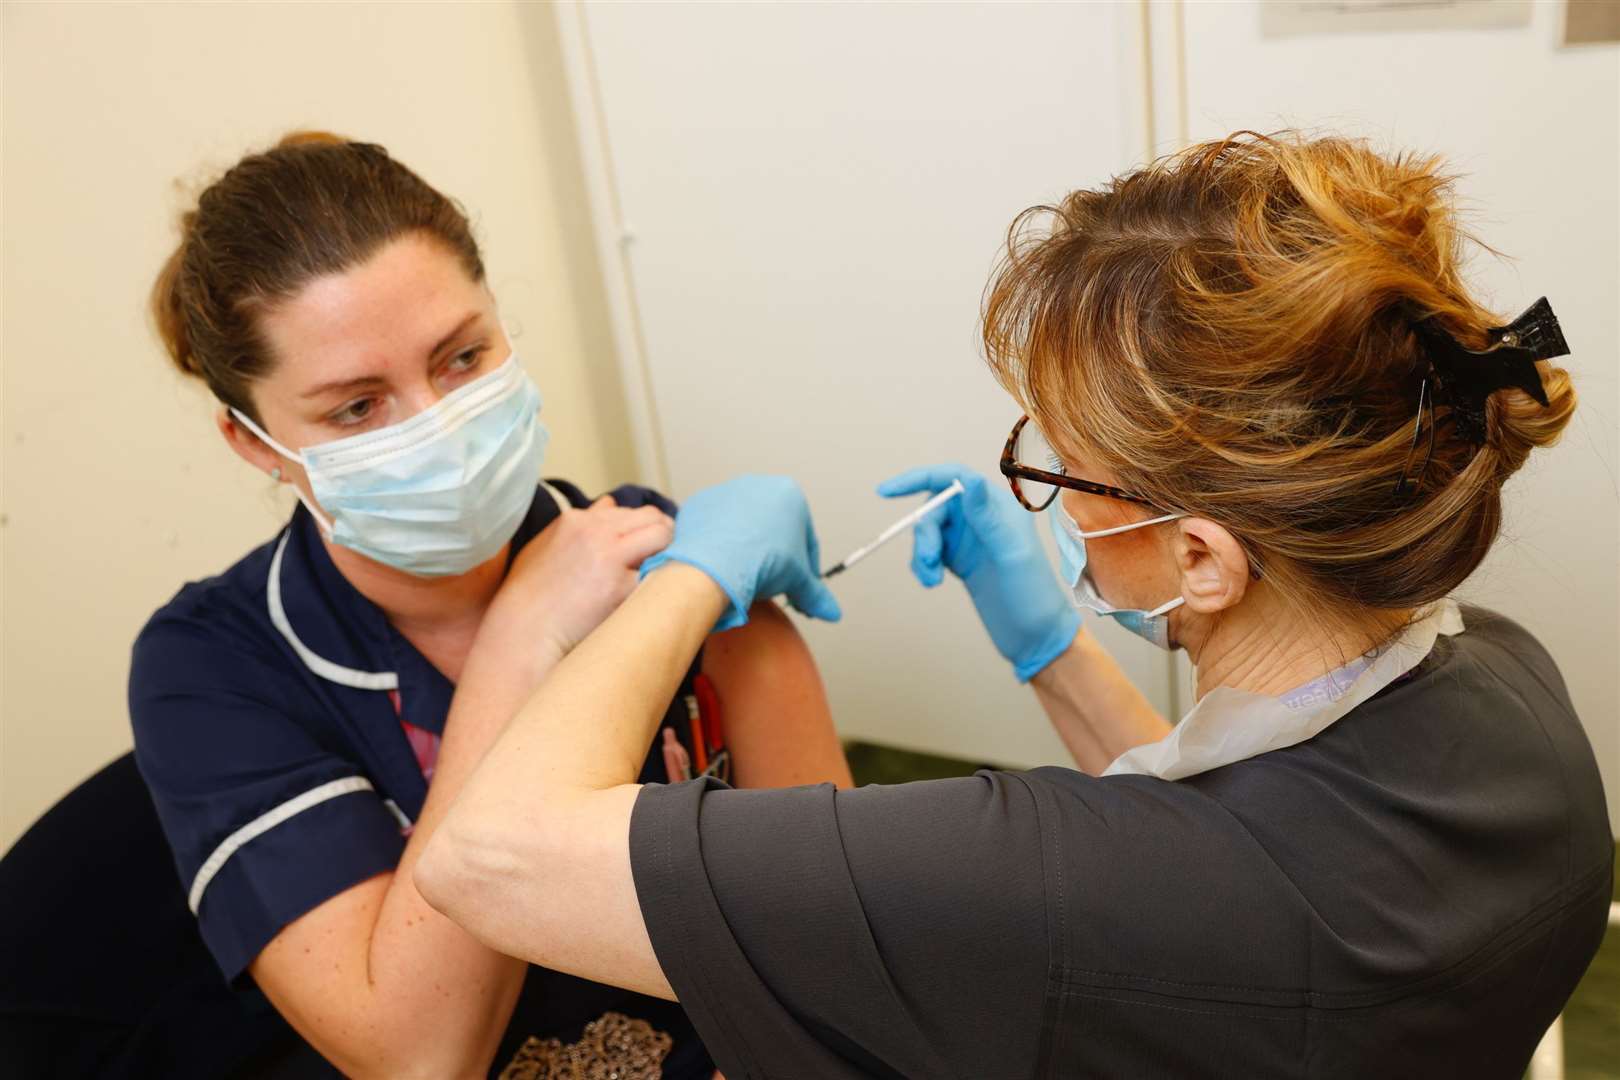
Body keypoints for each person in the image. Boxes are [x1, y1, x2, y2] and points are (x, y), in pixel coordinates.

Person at [415, 133, 1613, 1078]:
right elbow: (1232, 849)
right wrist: (1051, 650)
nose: (1040, 489)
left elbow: (490, 859)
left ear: (1202, 560)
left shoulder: (1028, 889)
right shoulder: (1514, 696)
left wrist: (676, 580)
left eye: (1061, 468)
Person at [130, 131, 852, 1079]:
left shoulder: (671, 557)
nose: (435, 423)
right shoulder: (214, 668)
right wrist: (524, 640)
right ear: (258, 443)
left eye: (463, 356)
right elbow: (420, 1054)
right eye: (357, 408)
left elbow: (842, 943)